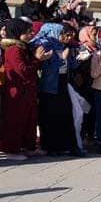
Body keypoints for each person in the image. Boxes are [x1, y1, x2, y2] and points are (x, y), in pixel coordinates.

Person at [0, 19, 48, 159]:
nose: (31, 34)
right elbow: (23, 71)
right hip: (17, 91)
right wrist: (38, 59)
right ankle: (11, 150)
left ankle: (28, 146)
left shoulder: (24, 47)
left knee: (29, 119)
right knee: (15, 120)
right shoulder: (14, 49)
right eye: (28, 32)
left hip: (27, 90)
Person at [35, 22, 81, 155]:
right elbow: (45, 65)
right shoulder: (45, 46)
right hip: (49, 86)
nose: (63, 37)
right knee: (50, 117)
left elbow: (70, 66)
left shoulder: (63, 46)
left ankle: (68, 146)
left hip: (62, 83)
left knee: (66, 115)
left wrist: (78, 59)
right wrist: (61, 58)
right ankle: (51, 147)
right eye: (61, 34)